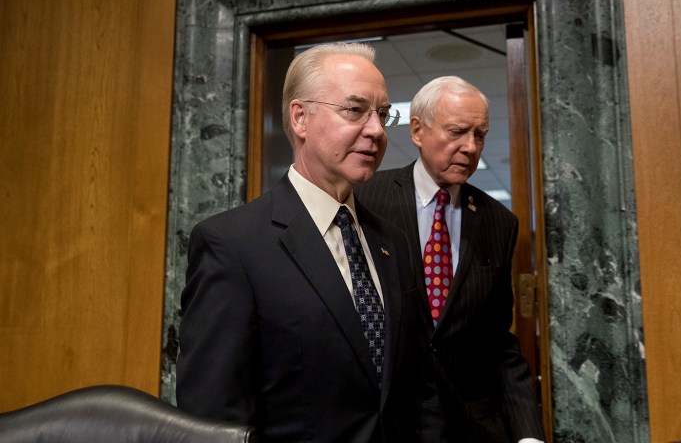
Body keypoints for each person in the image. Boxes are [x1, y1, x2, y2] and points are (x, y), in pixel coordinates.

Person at [176, 42, 433, 442]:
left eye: (383, 114)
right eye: (354, 110)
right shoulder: (232, 245)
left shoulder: (393, 242)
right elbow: (211, 420)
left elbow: (420, 385)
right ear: (300, 117)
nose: (377, 130)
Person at [356, 76, 546, 443]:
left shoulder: (497, 221)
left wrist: (528, 435)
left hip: (470, 425)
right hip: (387, 424)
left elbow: (498, 341)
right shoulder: (367, 198)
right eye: (457, 131)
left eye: (480, 134)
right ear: (417, 130)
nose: (471, 147)